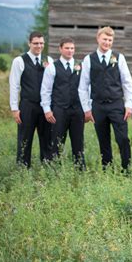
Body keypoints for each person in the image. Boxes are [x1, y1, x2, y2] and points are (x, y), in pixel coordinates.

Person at [78, 27, 132, 171]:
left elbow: (127, 82)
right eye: (105, 39)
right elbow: (83, 86)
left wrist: (128, 105)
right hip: (98, 106)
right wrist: (87, 109)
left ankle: (126, 168)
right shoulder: (88, 59)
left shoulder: (119, 57)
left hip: (116, 105)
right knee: (103, 140)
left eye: (110, 40)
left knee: (123, 138)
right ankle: (107, 169)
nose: (107, 42)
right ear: (98, 39)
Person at [40, 37, 85, 169]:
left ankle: (80, 171)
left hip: (77, 110)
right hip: (59, 110)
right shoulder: (52, 68)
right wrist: (47, 110)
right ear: (60, 49)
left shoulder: (80, 66)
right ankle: (55, 170)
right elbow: (45, 90)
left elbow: (86, 88)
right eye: (67, 48)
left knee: (78, 142)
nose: (70, 51)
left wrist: (87, 108)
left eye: (72, 48)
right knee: (57, 141)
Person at [9, 31, 53, 167]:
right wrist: (15, 108)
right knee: (24, 139)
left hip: (45, 107)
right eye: (35, 43)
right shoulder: (19, 61)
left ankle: (47, 167)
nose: (39, 46)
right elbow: (14, 85)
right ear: (29, 43)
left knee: (47, 139)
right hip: (27, 106)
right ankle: (23, 169)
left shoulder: (49, 60)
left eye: (41, 43)